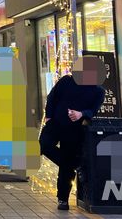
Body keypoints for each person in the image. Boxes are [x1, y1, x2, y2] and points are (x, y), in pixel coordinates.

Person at [39, 56, 105, 211]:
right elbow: (52, 97)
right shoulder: (66, 81)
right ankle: (74, 164)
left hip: (75, 129)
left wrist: (81, 113)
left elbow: (93, 111)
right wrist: (48, 116)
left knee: (66, 167)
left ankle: (63, 199)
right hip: (55, 123)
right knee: (43, 145)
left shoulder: (98, 91)